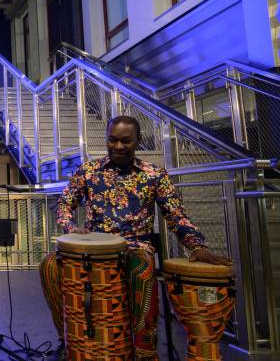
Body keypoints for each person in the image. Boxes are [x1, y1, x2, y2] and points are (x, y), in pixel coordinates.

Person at [39, 115, 231, 361]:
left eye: (125, 141)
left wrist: (197, 245)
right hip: (92, 251)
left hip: (135, 247)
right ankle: (69, 339)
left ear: (137, 141)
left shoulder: (155, 175)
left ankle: (144, 351)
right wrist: (70, 226)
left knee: (143, 265)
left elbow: (176, 216)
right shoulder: (87, 171)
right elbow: (64, 203)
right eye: (113, 140)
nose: (118, 146)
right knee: (49, 265)